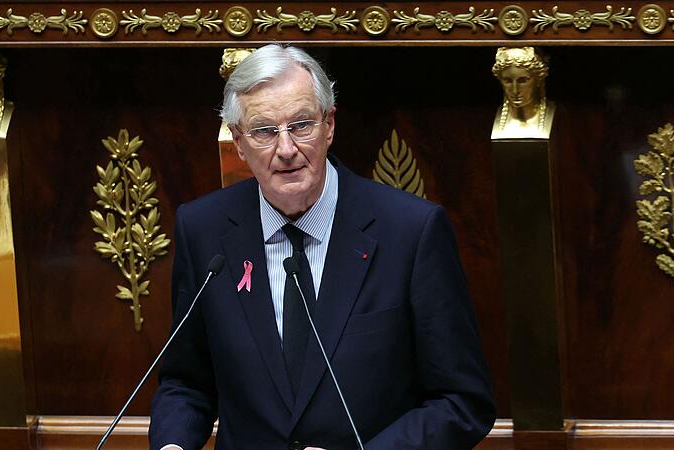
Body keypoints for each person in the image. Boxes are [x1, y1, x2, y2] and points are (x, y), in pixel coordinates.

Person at [150, 44, 495, 450]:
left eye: (301, 125)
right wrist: (173, 444)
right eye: (264, 131)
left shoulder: (412, 232)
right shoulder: (203, 228)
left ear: (329, 125)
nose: (286, 149)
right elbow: (185, 381)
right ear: (240, 144)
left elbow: (462, 401)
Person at [491, 47, 554, 139]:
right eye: (507, 81)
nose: (515, 90)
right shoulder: (487, 119)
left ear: (538, 80)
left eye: (523, 81)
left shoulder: (560, 117)